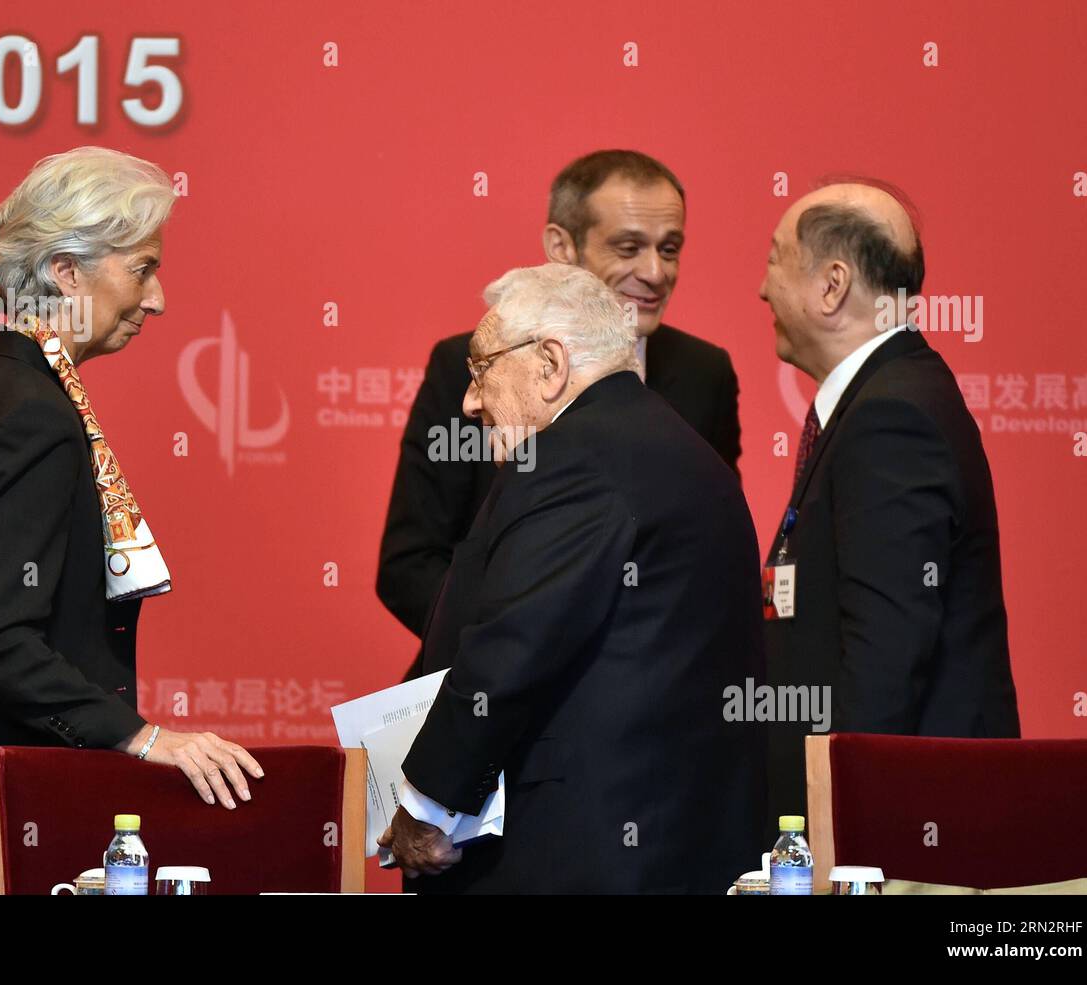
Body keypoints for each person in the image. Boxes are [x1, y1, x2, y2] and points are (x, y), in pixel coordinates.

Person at [0, 147, 262, 894]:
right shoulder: (32, 414)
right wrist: (142, 737)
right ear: (66, 272)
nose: (156, 299)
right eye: (142, 268)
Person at [377, 263, 766, 893]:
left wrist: (427, 808)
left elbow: (513, 649)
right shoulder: (673, 446)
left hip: (587, 851)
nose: (470, 401)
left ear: (550, 364)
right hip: (667, 842)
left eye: (481, 370)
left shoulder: (575, 459)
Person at [377, 150, 742, 646]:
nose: (656, 272)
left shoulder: (705, 374)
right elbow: (409, 564)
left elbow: (709, 553)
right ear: (560, 247)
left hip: (647, 696)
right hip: (489, 694)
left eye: (670, 248)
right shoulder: (473, 366)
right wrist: (514, 653)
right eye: (629, 247)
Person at [756, 179, 1020, 836]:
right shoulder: (885, 398)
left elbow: (885, 656)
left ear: (832, 285)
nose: (762, 289)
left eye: (774, 259)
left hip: (901, 833)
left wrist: (838, 838)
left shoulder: (891, 416)